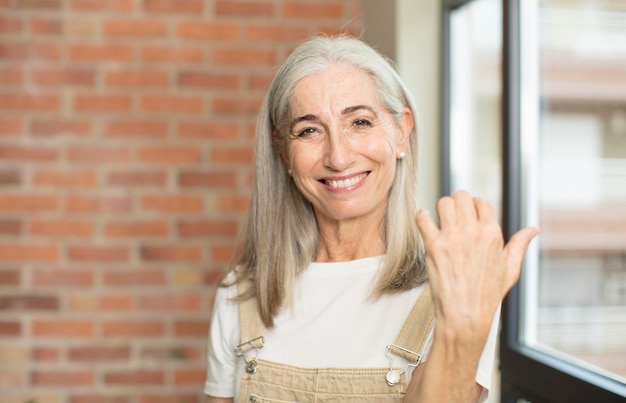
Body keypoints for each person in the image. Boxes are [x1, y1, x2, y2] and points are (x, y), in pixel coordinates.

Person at [204, 35, 539, 403]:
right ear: (283, 151)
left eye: (360, 122)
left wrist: (461, 327)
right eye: (309, 130)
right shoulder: (241, 292)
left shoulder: (453, 284)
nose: (338, 156)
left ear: (400, 133)